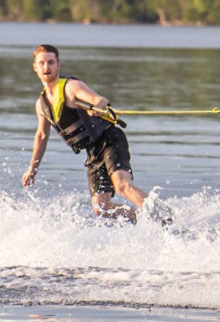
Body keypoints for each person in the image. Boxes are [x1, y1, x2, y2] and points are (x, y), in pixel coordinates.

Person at [23, 44, 162, 222]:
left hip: (109, 140)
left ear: (58, 65)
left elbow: (99, 99)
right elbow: (42, 136)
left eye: (50, 62)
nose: (46, 67)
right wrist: (32, 169)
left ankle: (164, 218)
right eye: (41, 63)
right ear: (35, 67)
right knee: (101, 208)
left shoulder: (71, 87)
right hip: (93, 151)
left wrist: (97, 107)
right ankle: (142, 218)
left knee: (122, 187)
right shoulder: (41, 105)